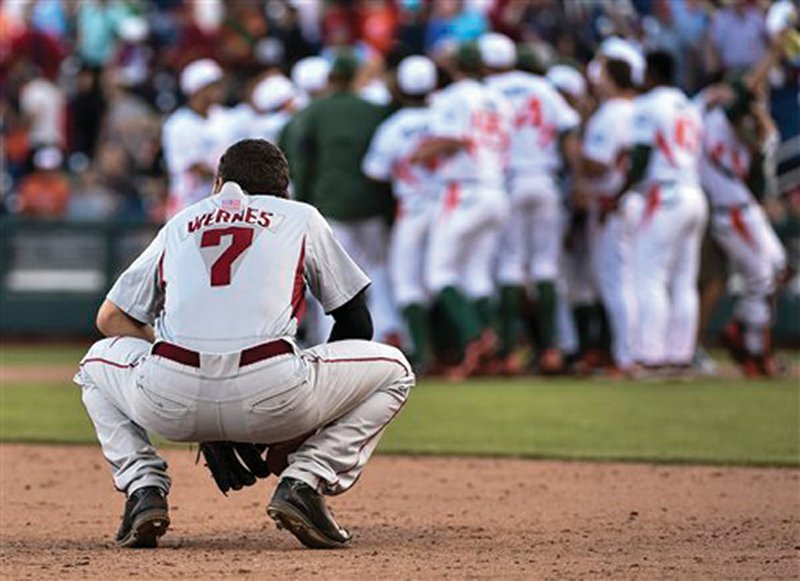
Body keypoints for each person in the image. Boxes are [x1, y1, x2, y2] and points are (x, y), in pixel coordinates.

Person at [73, 139, 415, 549]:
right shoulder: (299, 216)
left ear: (219, 184)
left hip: (169, 397)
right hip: (275, 392)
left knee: (94, 365)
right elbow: (355, 318)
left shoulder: (182, 220)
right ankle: (305, 480)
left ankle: (143, 488)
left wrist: (177, 366)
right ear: (283, 190)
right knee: (395, 370)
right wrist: (303, 428)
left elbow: (110, 318)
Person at [479, 33, 580, 374]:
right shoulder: (543, 87)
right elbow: (569, 131)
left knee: (509, 266)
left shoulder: (487, 91)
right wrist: (577, 179)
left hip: (508, 182)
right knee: (545, 267)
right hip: (546, 179)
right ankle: (550, 350)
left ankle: (508, 353)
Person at [412, 42, 511, 378]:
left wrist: (423, 152)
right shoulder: (497, 97)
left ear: (454, 66)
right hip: (495, 187)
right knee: (477, 276)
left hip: (464, 190)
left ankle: (476, 336)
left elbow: (454, 138)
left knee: (439, 274)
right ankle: (492, 349)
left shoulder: (454, 95)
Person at [292, 51, 402, 345]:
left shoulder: (312, 112)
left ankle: (330, 345)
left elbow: (302, 163)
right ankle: (384, 340)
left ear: (331, 78)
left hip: (330, 206)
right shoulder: (376, 111)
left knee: (331, 281)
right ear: (357, 77)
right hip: (371, 205)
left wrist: (301, 202)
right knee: (378, 272)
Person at [611, 51, 707, 373]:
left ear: (650, 73)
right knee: (683, 280)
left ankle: (652, 355)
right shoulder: (689, 106)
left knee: (648, 275)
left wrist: (621, 191)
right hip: (693, 190)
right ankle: (680, 354)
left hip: (665, 194)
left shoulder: (648, 105)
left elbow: (640, 157)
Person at [700, 82, 787, 377]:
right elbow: (740, 102)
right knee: (761, 278)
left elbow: (765, 142)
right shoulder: (716, 120)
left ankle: (740, 329)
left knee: (777, 268)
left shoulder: (738, 130)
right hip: (731, 212)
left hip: (744, 208)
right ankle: (753, 350)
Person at [362, 55, 439, 373]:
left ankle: (422, 354)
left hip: (412, 208)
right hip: (450, 205)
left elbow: (375, 171)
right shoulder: (444, 116)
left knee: (408, 283)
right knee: (448, 278)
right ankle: (456, 348)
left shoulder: (392, 127)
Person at [578, 55, 640, 376]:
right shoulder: (639, 109)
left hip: (613, 202)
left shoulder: (611, 114)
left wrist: (576, 155)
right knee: (634, 279)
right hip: (640, 201)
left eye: (601, 75)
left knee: (616, 282)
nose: (596, 81)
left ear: (613, 78)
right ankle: (636, 352)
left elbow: (597, 163)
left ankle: (626, 357)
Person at [161, 58, 229, 217]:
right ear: (197, 90)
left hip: (219, 204)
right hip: (188, 205)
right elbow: (196, 167)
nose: (218, 89)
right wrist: (235, 181)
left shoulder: (224, 117)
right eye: (212, 85)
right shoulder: (178, 124)